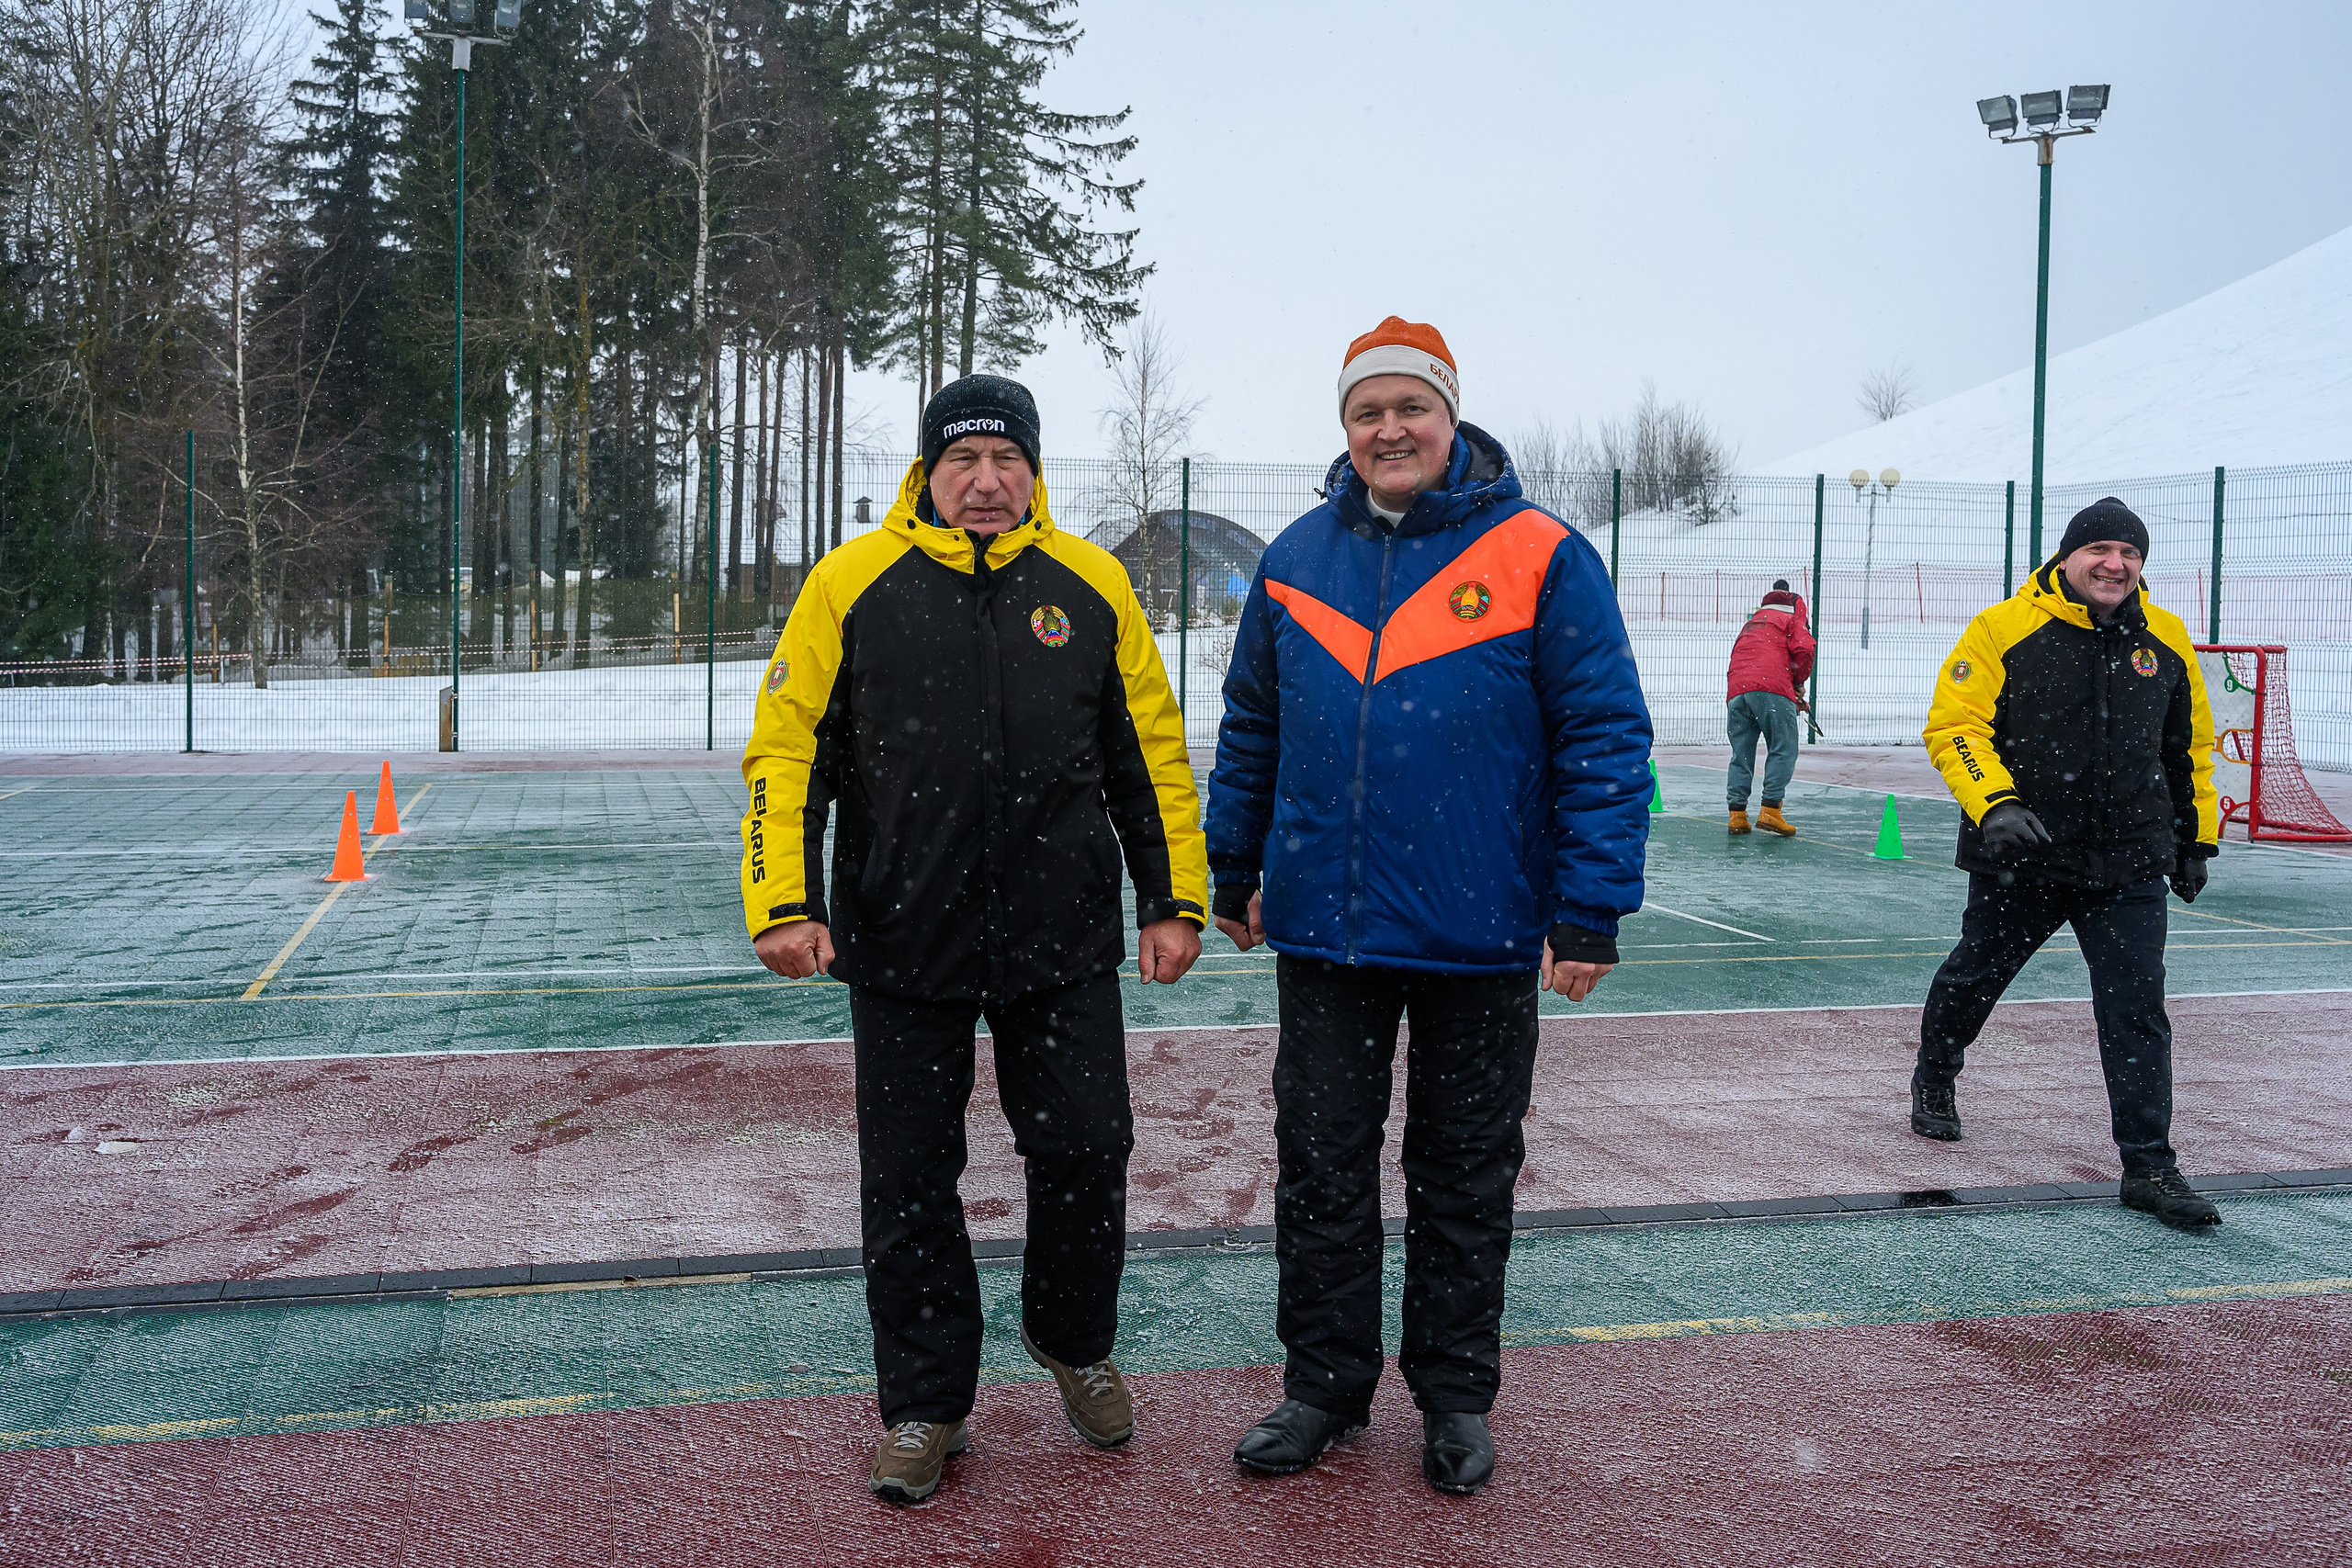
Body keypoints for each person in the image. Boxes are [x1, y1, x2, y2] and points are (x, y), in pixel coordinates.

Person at [740, 374, 1209, 1505]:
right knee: (908, 1185)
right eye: (964, 461)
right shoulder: (853, 585)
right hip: (904, 944)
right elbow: (786, 748)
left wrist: (1172, 897)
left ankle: (1070, 1339)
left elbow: (1148, 747)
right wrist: (783, 899)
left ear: (1034, 471)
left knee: (1090, 1149)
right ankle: (924, 1405)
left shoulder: (1089, 585)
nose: (986, 481)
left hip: (1062, 943)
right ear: (928, 473)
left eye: (1007, 460)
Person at [1205, 317, 1652, 1495]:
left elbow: (1604, 736)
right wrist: (1230, 866)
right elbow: (1251, 726)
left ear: (1451, 419)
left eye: (1410, 407)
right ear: (1343, 430)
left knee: (1463, 1178)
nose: (1388, 429)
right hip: (1328, 934)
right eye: (1367, 411)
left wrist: (1589, 907)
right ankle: (1323, 1389)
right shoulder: (1295, 557)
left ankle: (1454, 1399)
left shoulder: (1543, 555)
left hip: (1483, 931)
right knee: (1322, 1168)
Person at [1915, 496, 2222, 1230]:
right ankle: (1937, 1070)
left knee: (2137, 1012)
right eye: (2101, 549)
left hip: (2127, 862)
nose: (2115, 564)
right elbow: (1955, 725)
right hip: (2025, 854)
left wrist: (2195, 837)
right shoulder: (2002, 627)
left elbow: (2190, 750)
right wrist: (1996, 804)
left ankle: (2150, 1167)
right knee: (1975, 974)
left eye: (2131, 553)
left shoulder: (2167, 640)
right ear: (2067, 556)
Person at [1724, 578, 1815, 836]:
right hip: (1770, 686)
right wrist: (1796, 682)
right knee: (1784, 746)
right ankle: (1771, 810)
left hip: (1737, 689)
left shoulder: (1753, 622)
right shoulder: (1792, 616)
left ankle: (1737, 814)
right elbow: (1804, 649)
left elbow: (1751, 655)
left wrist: (1788, 688)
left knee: (1741, 753)